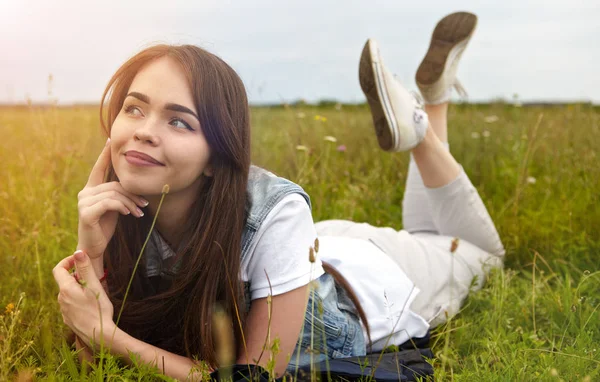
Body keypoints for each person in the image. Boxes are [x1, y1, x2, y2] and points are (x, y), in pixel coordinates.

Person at [52, 11, 504, 380]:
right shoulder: (118, 211)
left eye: (179, 121)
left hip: (375, 277)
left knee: (484, 255)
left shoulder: (274, 211)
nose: (144, 132)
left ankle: (420, 128)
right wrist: (90, 252)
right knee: (427, 228)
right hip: (310, 253)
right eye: (134, 108)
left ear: (216, 156)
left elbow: (251, 377)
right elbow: (90, 365)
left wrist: (108, 334)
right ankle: (433, 99)